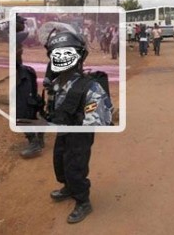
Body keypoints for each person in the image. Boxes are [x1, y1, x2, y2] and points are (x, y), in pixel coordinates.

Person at [44, 30, 113, 224]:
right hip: (64, 130)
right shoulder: (58, 83)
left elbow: (99, 116)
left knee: (76, 166)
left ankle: (83, 201)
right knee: (60, 161)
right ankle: (68, 187)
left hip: (79, 134)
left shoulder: (90, 86)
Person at [15, 16, 44, 158]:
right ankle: (38, 133)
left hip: (21, 74)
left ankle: (35, 142)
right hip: (17, 71)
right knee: (25, 106)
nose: (22, 49)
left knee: (24, 107)